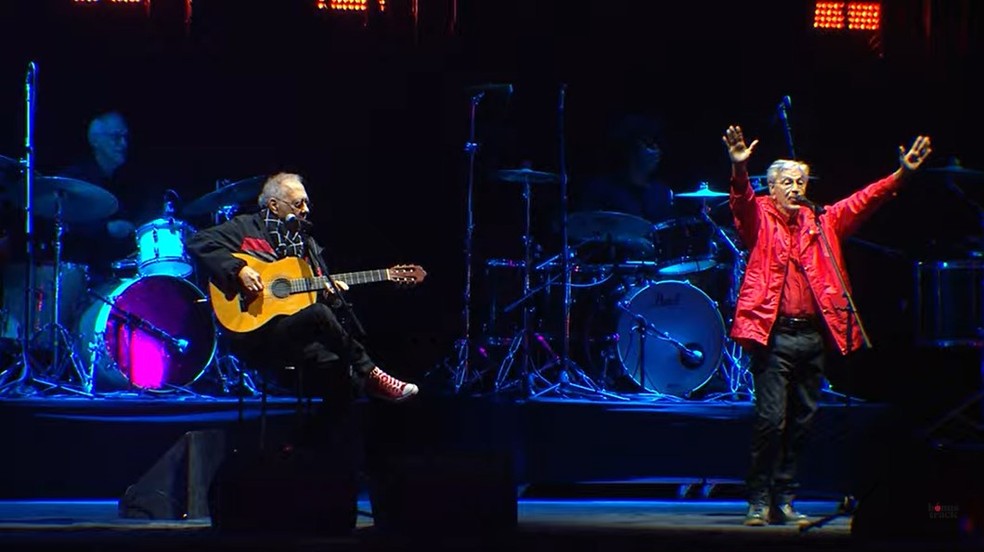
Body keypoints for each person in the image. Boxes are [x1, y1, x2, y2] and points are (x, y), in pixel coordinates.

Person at [721, 124, 932, 526]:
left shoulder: (821, 221)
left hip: (813, 335)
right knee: (770, 421)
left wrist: (901, 175)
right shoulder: (760, 217)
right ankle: (758, 498)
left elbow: (862, 202)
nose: (796, 187)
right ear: (772, 186)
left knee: (802, 421)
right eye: (787, 181)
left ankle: (784, 498)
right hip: (773, 334)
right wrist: (738, 169)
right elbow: (741, 201)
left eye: (801, 180)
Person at [186, 172, 420, 404]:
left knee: (341, 373)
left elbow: (315, 300)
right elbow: (198, 242)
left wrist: (329, 293)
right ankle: (373, 374)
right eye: (298, 204)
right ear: (274, 206)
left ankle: (300, 441)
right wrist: (238, 270)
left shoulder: (307, 244)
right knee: (320, 316)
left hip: (295, 336)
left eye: (307, 203)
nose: (306, 210)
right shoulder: (245, 227)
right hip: (255, 336)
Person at [57, 110, 164, 279]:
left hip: (118, 271)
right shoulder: (74, 181)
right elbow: (63, 224)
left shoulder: (130, 181)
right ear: (95, 141)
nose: (123, 144)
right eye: (116, 137)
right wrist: (106, 229)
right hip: (80, 271)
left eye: (125, 137)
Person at [578, 114, 676, 224]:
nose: (658, 151)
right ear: (632, 148)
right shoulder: (601, 189)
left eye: (658, 145)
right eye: (649, 144)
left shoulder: (661, 192)